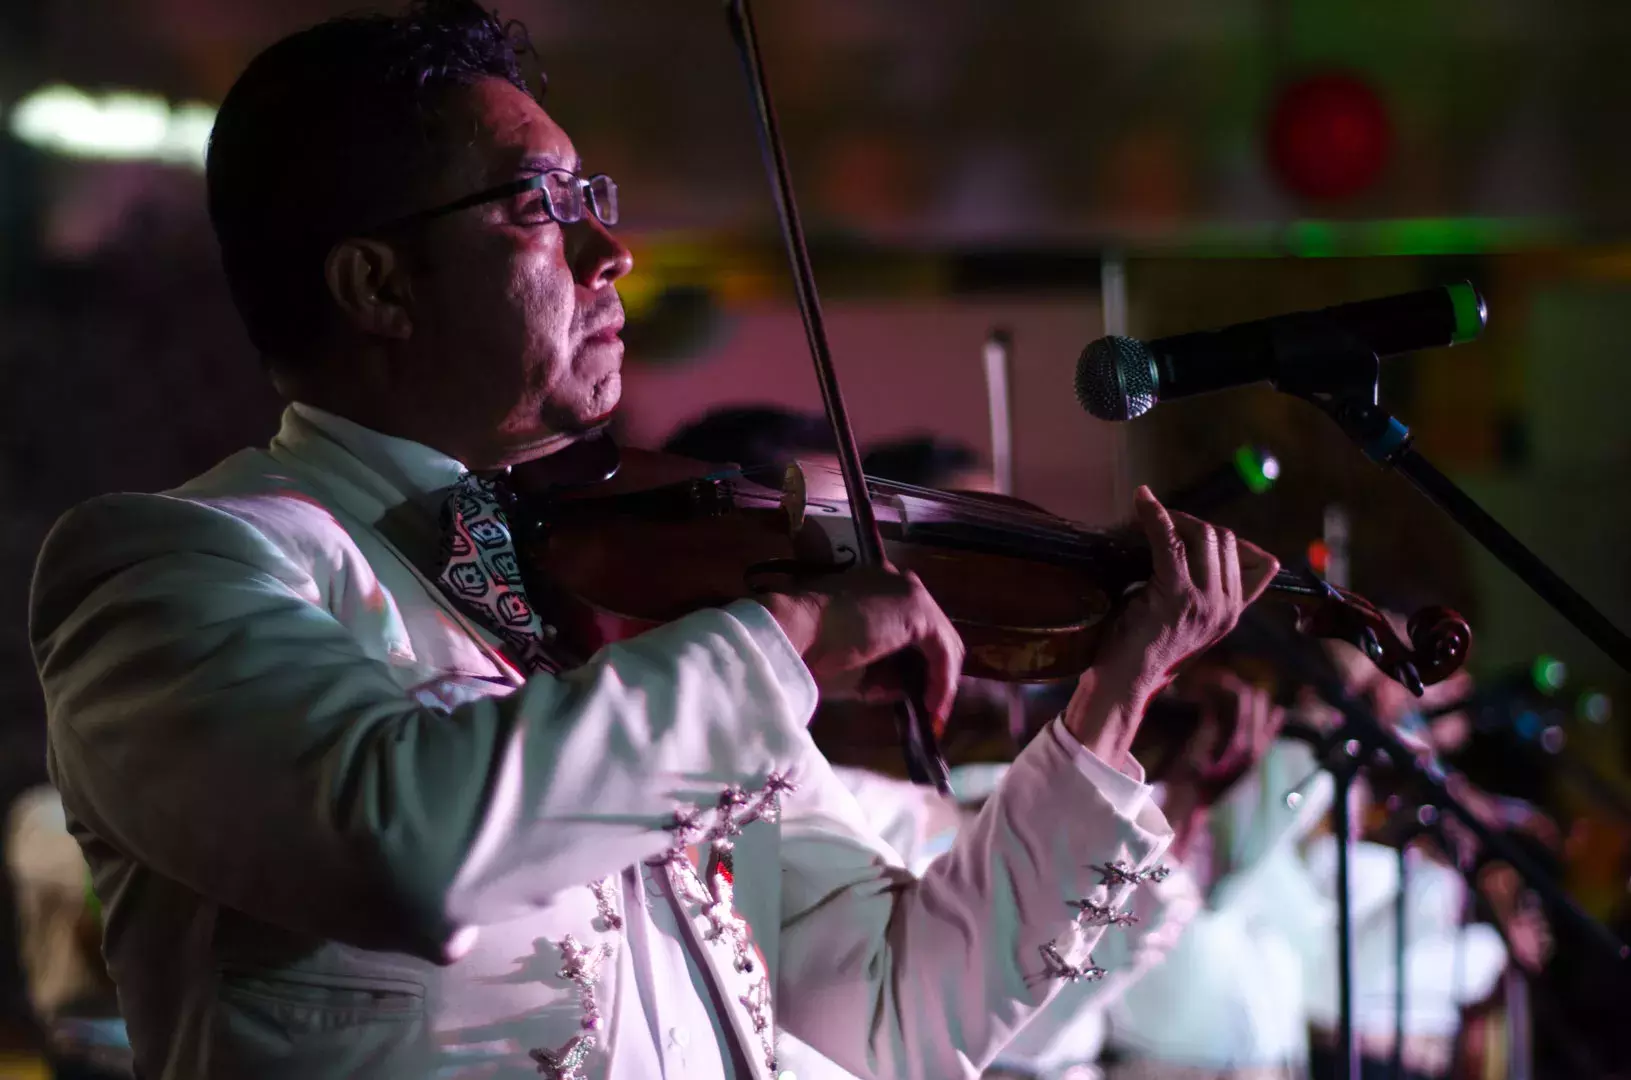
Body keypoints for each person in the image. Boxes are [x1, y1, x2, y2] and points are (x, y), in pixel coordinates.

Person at [28, 5, 1280, 1079]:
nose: (611, 251)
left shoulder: (636, 605)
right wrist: (782, 641)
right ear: (376, 287)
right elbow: (404, 844)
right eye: (536, 207)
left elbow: (892, 1016)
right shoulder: (176, 570)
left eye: (592, 201)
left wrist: (1109, 711)